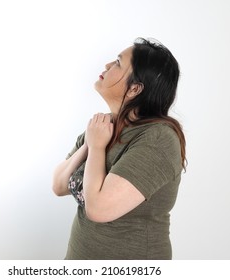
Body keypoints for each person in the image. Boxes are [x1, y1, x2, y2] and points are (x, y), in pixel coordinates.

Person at [52, 37, 186, 260]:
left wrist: (96, 147)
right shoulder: (102, 128)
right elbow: (58, 185)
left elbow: (98, 209)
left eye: (117, 62)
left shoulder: (158, 138)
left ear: (134, 88)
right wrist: (88, 145)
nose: (106, 66)